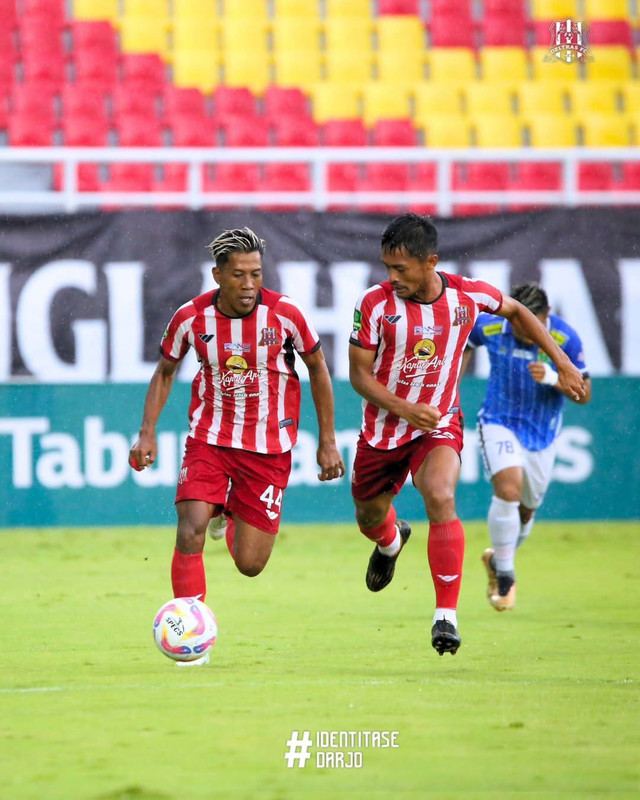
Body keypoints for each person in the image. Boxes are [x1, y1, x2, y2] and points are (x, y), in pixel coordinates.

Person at [348, 214, 586, 657]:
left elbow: (517, 311)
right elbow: (359, 376)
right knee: (368, 515)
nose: (392, 277)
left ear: (430, 262)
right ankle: (391, 541)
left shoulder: (466, 296)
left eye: (400, 268)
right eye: (387, 267)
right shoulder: (374, 304)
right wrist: (405, 409)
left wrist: (563, 363)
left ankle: (446, 617)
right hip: (383, 429)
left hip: (437, 422)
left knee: (441, 496)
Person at [130, 227, 345, 665]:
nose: (249, 285)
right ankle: (192, 643)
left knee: (250, 564)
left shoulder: (285, 315)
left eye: (256, 274)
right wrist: (147, 431)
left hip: (268, 449)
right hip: (209, 439)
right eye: (239, 275)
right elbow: (166, 371)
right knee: (189, 528)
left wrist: (328, 440)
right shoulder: (191, 318)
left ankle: (225, 512)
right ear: (217, 275)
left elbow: (318, 369)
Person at [462, 282, 591, 612]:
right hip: (498, 420)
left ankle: (498, 560)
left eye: (532, 324)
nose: (524, 332)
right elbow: (463, 345)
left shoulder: (564, 338)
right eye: (518, 324)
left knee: (526, 509)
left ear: (547, 316)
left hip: (542, 432)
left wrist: (553, 378)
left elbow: (584, 394)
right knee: (508, 489)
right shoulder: (492, 325)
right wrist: (451, 390)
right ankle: (506, 577)